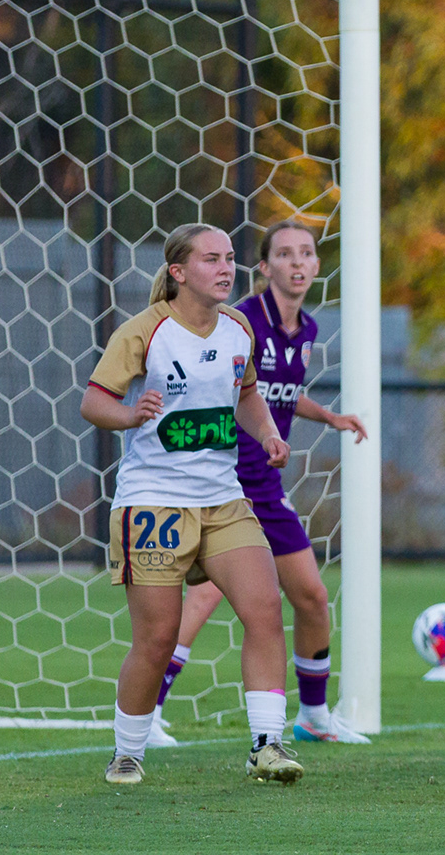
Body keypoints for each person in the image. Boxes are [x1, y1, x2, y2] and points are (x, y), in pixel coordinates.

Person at [79, 224, 300, 785]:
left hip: (224, 500)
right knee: (157, 639)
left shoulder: (238, 328)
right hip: (153, 504)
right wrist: (130, 415)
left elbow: (247, 394)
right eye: (211, 259)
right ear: (178, 272)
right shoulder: (144, 331)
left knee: (265, 609)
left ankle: (267, 745)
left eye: (229, 258)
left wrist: (268, 434)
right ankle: (127, 752)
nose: (226, 269)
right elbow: (94, 402)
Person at [149, 221, 370, 749]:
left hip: (266, 489)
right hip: (223, 483)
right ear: (266, 267)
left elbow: (276, 393)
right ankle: (148, 713)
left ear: (317, 265)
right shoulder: (240, 321)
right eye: (285, 254)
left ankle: (314, 716)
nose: (298, 263)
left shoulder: (306, 330)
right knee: (203, 598)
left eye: (307, 253)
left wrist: (329, 416)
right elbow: (233, 390)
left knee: (312, 596)